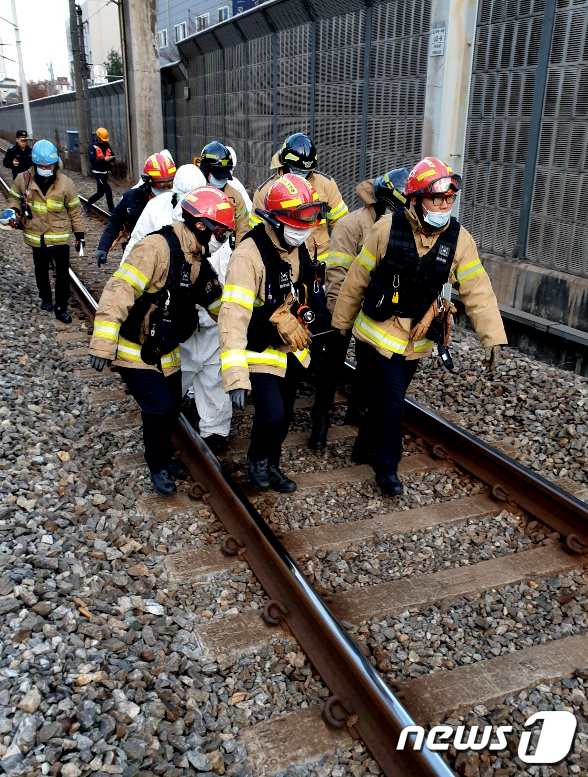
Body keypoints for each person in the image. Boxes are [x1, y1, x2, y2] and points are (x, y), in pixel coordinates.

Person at [332, 156, 507, 497]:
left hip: (416, 337)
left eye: (449, 198)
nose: (444, 204)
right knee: (393, 401)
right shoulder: (385, 230)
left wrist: (492, 337)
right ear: (415, 199)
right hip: (378, 333)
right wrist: (341, 323)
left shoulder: (459, 240)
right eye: (435, 198)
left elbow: (477, 288)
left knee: (384, 398)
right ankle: (387, 468)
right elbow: (357, 279)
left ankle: (363, 449)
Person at [88, 186, 234, 496]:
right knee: (159, 408)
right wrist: (102, 343)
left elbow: (216, 302)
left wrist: (246, 329)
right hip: (134, 350)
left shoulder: (196, 259)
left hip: (166, 352)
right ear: (200, 225)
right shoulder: (155, 248)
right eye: (219, 229)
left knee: (171, 410)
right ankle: (157, 464)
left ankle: (165, 456)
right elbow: (119, 291)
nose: (222, 236)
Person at [218, 173, 326, 493]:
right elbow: (233, 319)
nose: (304, 231)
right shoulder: (247, 257)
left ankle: (273, 463)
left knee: (287, 413)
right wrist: (236, 377)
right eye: (298, 222)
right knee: (272, 413)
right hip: (260, 349)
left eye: (308, 223)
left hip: (289, 345)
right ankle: (257, 459)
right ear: (276, 220)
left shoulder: (298, 246)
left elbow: (304, 290)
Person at [309, 167, 411, 449]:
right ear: (383, 203)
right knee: (331, 367)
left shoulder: (402, 229)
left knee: (368, 367)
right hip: (345, 305)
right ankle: (320, 420)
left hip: (376, 311)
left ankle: (356, 409)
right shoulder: (350, 225)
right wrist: (339, 317)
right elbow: (338, 272)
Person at [2, 139, 84, 323]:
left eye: (49, 165)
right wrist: (14, 211)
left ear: (55, 164)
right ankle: (46, 299)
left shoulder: (66, 183)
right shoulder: (23, 179)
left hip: (59, 236)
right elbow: (14, 198)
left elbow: (75, 210)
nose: (45, 168)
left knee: (63, 274)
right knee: (41, 270)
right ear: (35, 164)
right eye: (41, 165)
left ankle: (61, 307)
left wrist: (79, 234)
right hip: (36, 235)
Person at [94, 152, 177, 268]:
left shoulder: (179, 199)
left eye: (169, 184)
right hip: (138, 253)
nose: (165, 189)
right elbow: (115, 224)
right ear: (148, 181)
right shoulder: (132, 199)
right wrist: (103, 247)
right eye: (160, 184)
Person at [198, 141, 250, 244]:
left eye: (225, 175)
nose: (222, 179)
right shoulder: (195, 193)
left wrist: (238, 254)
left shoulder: (235, 197)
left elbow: (242, 228)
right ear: (206, 171)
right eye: (218, 175)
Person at [87, 128, 115, 212]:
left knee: (100, 193)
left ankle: (87, 204)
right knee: (108, 190)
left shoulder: (107, 145)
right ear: (98, 138)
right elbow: (93, 161)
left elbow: (112, 156)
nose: (104, 141)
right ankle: (112, 210)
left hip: (105, 172)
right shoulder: (92, 147)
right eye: (102, 139)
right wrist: (104, 160)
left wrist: (111, 158)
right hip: (98, 172)